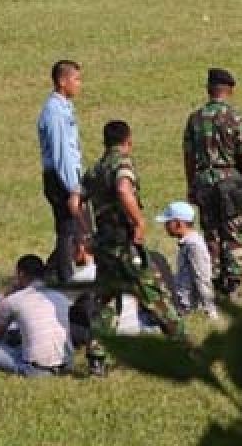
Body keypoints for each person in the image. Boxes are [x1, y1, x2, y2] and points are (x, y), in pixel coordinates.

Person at [81, 120, 184, 374]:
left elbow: (75, 201)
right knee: (153, 294)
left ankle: (96, 356)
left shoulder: (94, 169)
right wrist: (138, 222)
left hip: (103, 244)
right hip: (124, 245)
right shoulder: (122, 165)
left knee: (105, 300)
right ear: (128, 141)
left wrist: (87, 231)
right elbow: (124, 189)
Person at [182, 68, 242, 296]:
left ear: (209, 90)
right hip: (231, 182)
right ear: (231, 90)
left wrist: (191, 185)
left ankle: (212, 279)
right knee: (232, 232)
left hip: (204, 181)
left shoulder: (195, 119)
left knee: (211, 232)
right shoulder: (237, 118)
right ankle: (233, 282)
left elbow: (188, 156)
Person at [0, 255, 73, 377]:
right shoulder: (60, 296)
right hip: (67, 364)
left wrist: (5, 296)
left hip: (36, 370)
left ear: (21, 274)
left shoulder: (13, 300)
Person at [37, 59, 85, 283]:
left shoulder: (64, 107)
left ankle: (49, 272)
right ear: (62, 81)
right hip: (60, 178)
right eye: (76, 79)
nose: (79, 84)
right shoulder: (55, 112)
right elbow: (61, 153)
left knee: (73, 228)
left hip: (66, 176)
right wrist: (73, 187)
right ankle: (64, 278)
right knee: (67, 230)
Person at [157, 201, 218, 320]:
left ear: (178, 224)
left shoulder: (194, 245)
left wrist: (211, 312)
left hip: (183, 304)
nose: (165, 226)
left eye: (168, 222)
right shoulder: (188, 241)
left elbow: (202, 278)